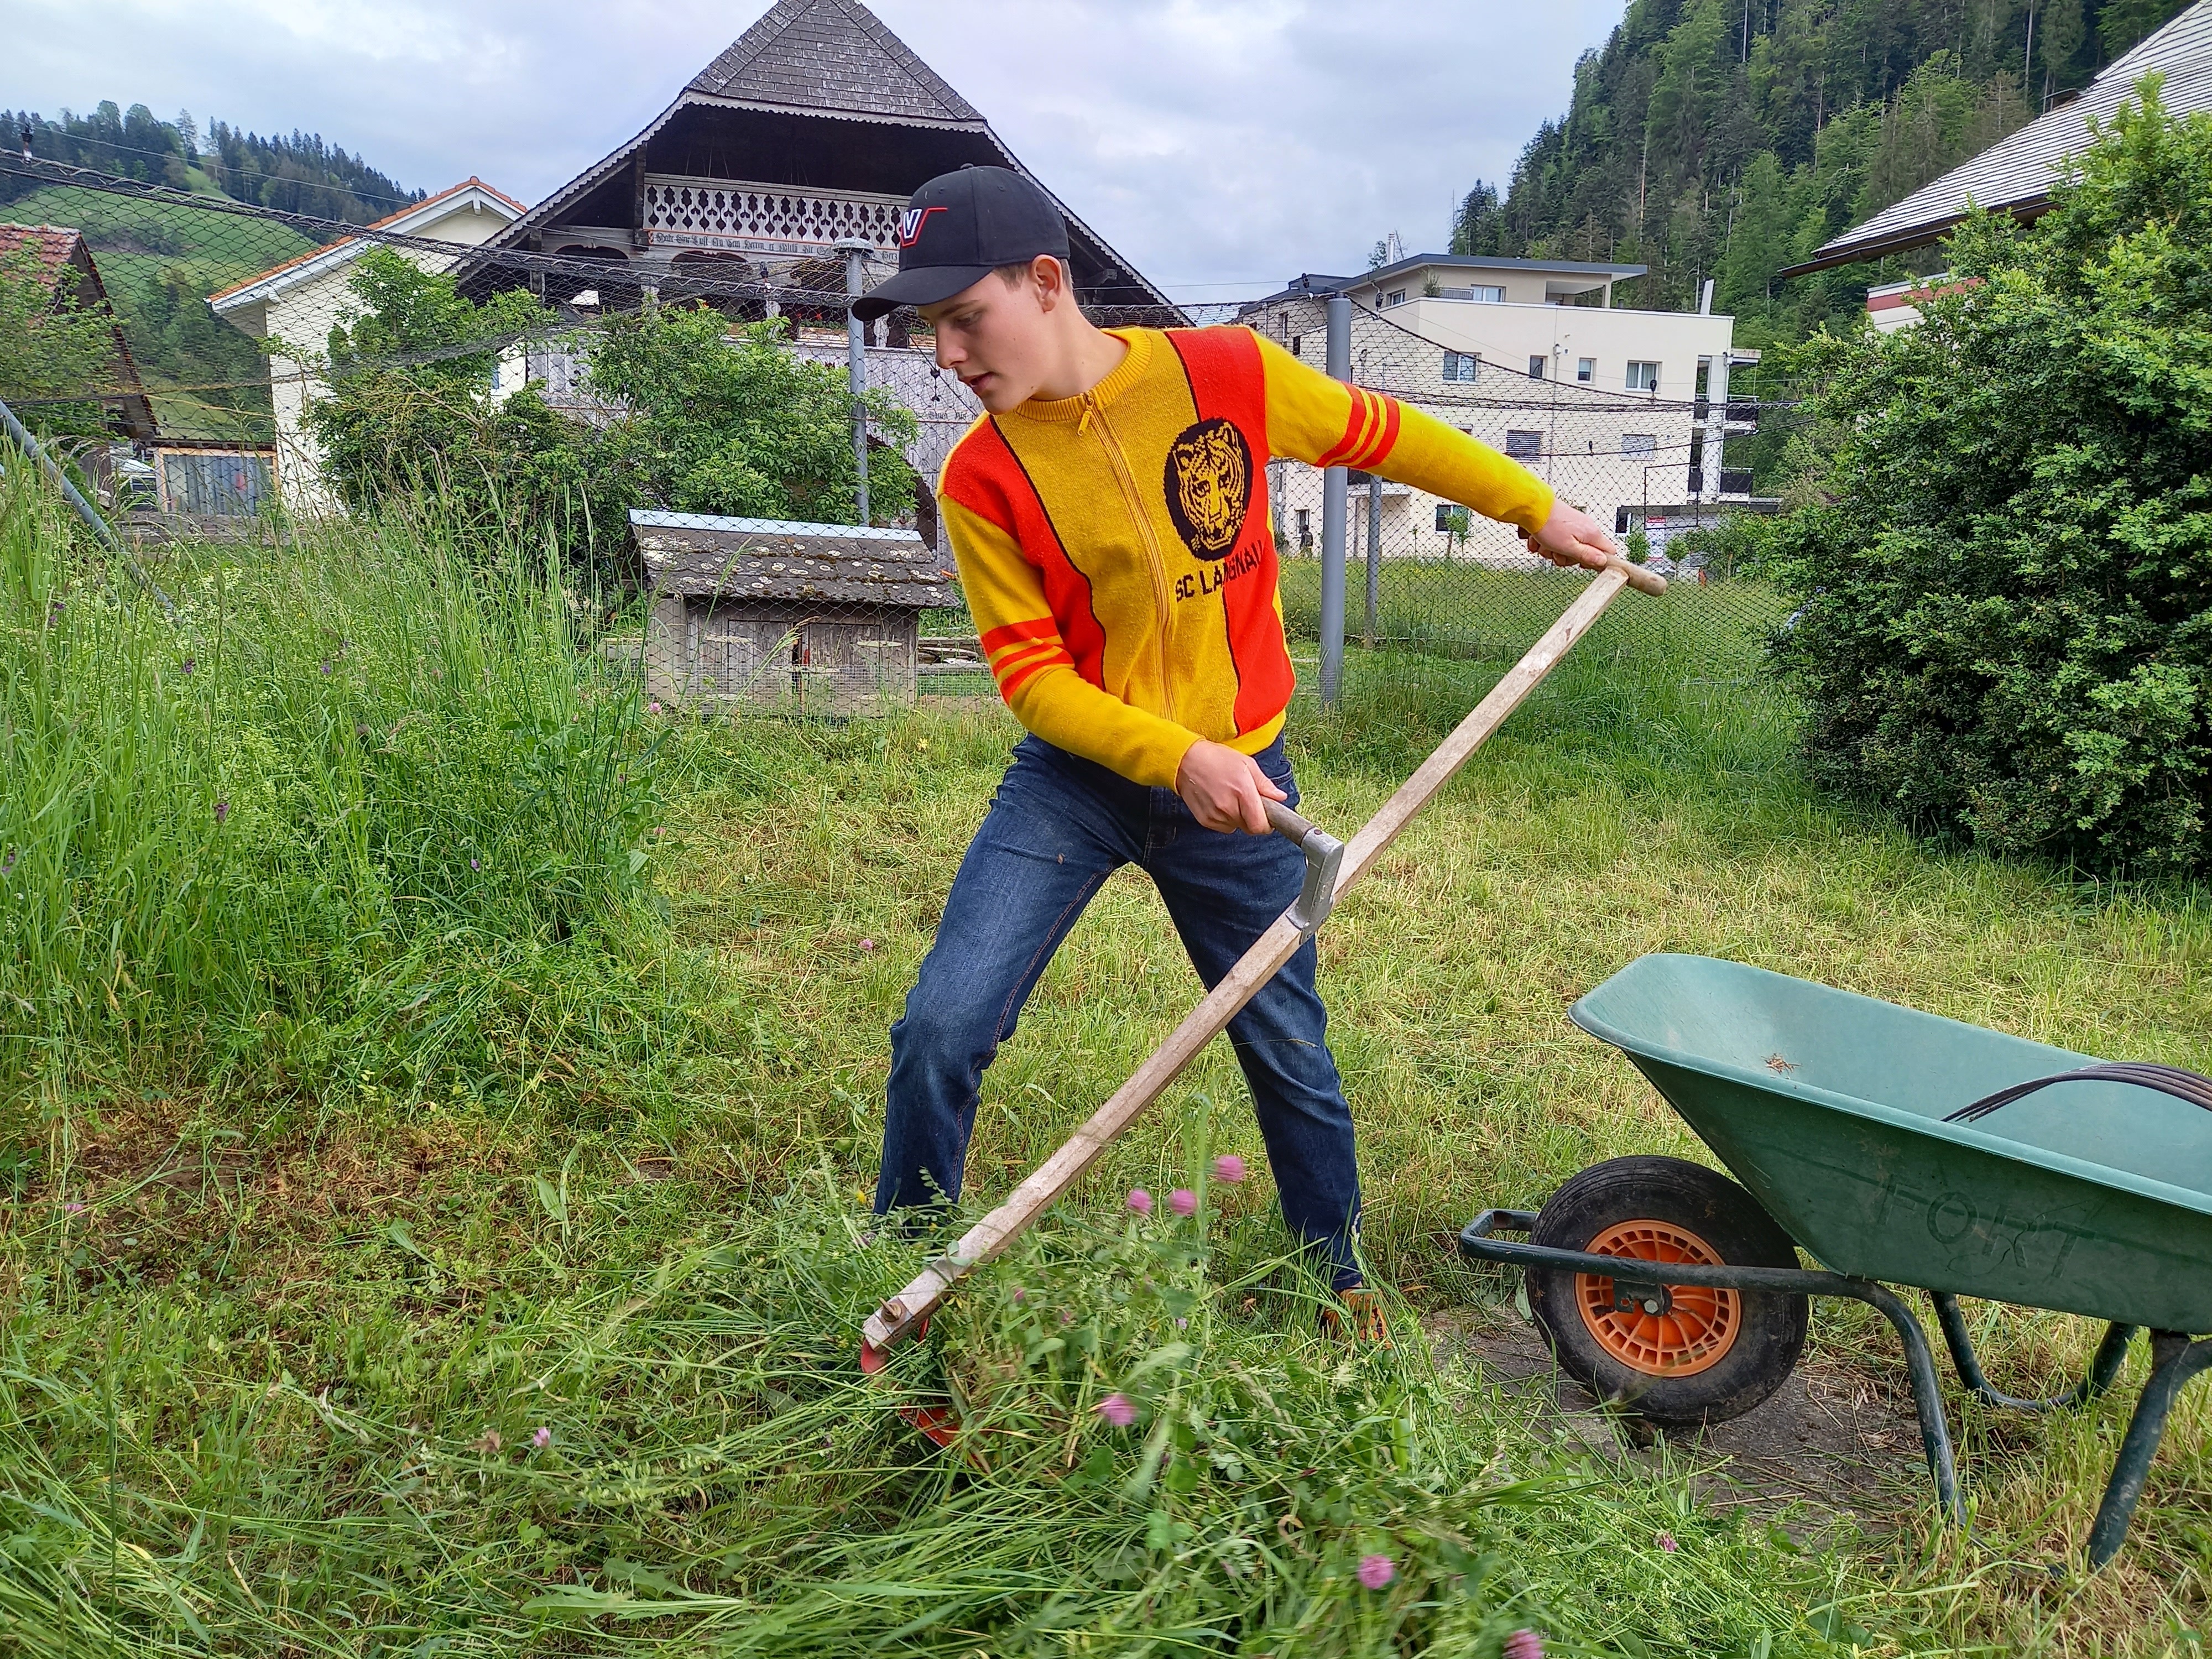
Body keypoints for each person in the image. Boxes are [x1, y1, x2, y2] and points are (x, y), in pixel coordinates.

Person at [855, 166, 1619, 1335]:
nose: (949, 353)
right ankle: (899, 1268)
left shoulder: (1225, 375)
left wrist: (1532, 507)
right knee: (941, 1027)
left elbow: (1385, 433)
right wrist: (1171, 760)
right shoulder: (981, 476)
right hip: (1079, 785)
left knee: (1284, 1041)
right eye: (930, 328)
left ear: (1046, 283)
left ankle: (1336, 1280)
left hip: (1244, 785)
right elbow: (1030, 680)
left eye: (966, 316)